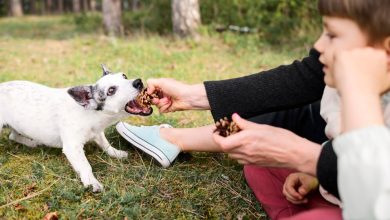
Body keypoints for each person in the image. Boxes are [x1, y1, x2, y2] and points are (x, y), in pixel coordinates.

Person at [116, 0, 390, 219]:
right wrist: (192, 94)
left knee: (267, 132)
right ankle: (176, 139)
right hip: (341, 166)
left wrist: (310, 159)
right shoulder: (337, 81)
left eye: (332, 34)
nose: (317, 46)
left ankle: (173, 139)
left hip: (372, 196)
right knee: (258, 143)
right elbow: (301, 78)